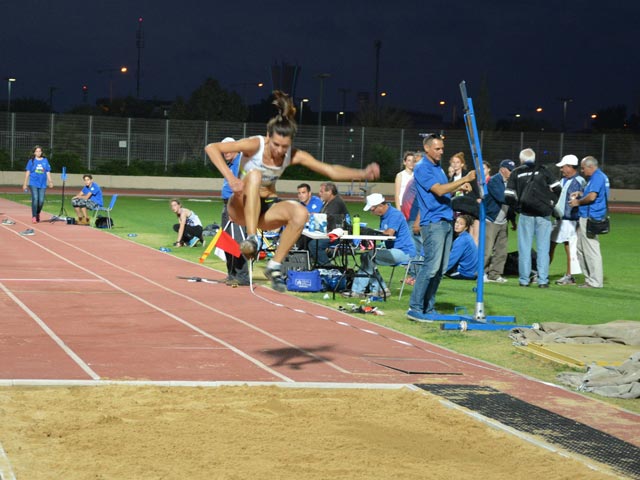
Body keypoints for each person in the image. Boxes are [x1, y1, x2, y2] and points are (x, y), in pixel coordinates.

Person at [204, 90, 379, 292]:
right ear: (268, 137)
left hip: (266, 210)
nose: (279, 151)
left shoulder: (293, 155)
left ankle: (274, 266)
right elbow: (212, 148)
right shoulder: (255, 144)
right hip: (240, 207)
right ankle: (251, 237)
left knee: (300, 212)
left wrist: (361, 172)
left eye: (284, 147)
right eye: (276, 145)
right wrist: (232, 178)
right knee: (255, 176)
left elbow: (329, 169)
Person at [407, 134, 476, 321]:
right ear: (427, 148)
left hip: (446, 221)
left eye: (442, 148)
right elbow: (438, 190)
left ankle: (428, 308)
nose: (441, 152)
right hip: (433, 223)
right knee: (431, 267)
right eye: (437, 148)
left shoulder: (438, 168)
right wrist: (463, 180)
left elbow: (444, 191)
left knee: (440, 270)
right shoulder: (422, 168)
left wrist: (459, 188)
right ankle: (415, 307)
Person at [505, 148, 561, 288]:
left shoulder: (516, 172)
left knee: (524, 249)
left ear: (521, 159)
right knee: (543, 248)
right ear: (534, 158)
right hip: (543, 215)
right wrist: (550, 203)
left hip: (526, 215)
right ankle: (542, 280)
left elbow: (508, 195)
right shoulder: (543, 170)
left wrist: (519, 208)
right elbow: (558, 188)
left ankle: (524, 280)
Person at [342, 193, 416, 298]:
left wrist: (372, 232)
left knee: (368, 256)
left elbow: (389, 233)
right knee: (366, 256)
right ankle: (381, 289)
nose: (372, 213)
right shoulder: (384, 215)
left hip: (404, 252)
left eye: (372, 210)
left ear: (380, 205)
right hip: (394, 250)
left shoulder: (395, 214)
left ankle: (358, 291)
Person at [569, 156, 609, 288]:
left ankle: (595, 281)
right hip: (587, 215)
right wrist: (580, 193)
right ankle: (589, 279)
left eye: (583, 167)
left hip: (591, 217)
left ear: (591, 167)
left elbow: (592, 197)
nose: (581, 170)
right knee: (581, 249)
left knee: (591, 250)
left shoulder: (597, 177)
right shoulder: (596, 177)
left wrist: (577, 202)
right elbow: (591, 193)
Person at [550, 155, 586, 286]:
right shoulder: (564, 180)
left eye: (563, 167)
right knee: (549, 245)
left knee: (569, 248)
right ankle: (541, 272)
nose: (561, 169)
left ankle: (570, 276)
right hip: (560, 218)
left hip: (571, 220)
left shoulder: (579, 181)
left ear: (570, 167)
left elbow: (584, 198)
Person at [219, 137, 250, 287]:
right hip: (226, 205)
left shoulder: (239, 164)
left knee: (239, 242)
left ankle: (243, 276)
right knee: (227, 242)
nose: (225, 152)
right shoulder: (230, 165)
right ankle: (231, 274)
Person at [483, 159, 515, 283]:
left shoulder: (509, 182)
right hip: (491, 219)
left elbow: (510, 203)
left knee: (501, 250)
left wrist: (512, 220)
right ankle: (482, 273)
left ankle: (495, 274)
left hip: (503, 220)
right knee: (487, 249)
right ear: (502, 169)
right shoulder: (494, 181)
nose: (511, 173)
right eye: (510, 170)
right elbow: (502, 198)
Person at [448, 151, 480, 244]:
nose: (455, 164)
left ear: (462, 164)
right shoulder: (451, 179)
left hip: (469, 210)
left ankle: (473, 256)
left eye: (457, 162)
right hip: (457, 212)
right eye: (453, 162)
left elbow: (477, 194)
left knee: (472, 236)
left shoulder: (468, 177)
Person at [22, 145, 53, 223]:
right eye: (37, 151)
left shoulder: (45, 160)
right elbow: (28, 172)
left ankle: (37, 213)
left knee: (41, 201)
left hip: (42, 184)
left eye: (40, 151)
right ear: (34, 152)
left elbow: (47, 171)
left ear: (42, 152)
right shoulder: (31, 161)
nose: (38, 153)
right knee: (35, 199)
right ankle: (34, 216)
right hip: (33, 183)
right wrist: (25, 183)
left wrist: (50, 181)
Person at [445, 214, 478, 280]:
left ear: (466, 227)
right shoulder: (467, 237)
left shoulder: (461, 240)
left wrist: (439, 271)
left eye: (461, 224)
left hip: (465, 273)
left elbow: (452, 259)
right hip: (473, 272)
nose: (457, 225)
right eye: (457, 222)